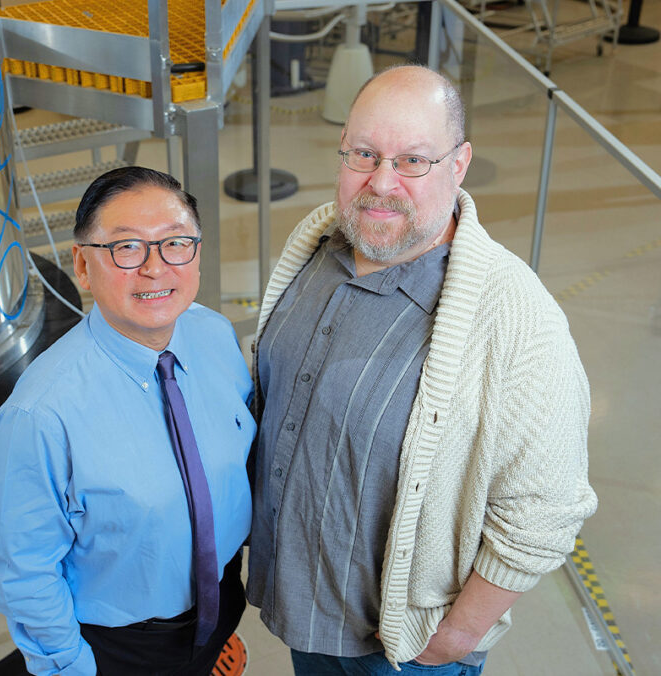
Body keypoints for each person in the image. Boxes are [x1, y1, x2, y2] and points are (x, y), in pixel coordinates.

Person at [247, 64, 597, 675]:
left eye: (412, 161)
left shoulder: (518, 321)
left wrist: (455, 637)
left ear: (458, 165)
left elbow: (548, 510)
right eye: (363, 153)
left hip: (405, 653)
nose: (381, 182)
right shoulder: (317, 245)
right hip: (304, 618)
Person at [0, 166, 255, 676]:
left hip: (220, 601)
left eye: (176, 243)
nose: (155, 269)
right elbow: (25, 570)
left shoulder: (215, 336)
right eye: (126, 248)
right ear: (82, 267)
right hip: (122, 646)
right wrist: (69, 668)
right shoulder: (41, 414)